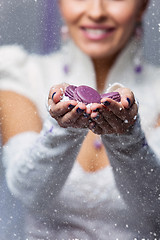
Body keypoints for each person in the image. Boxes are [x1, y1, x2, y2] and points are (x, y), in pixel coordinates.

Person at [0, 0, 160, 239]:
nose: (96, 12)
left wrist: (128, 139)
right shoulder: (19, 73)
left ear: (143, 5)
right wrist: (62, 129)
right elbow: (29, 193)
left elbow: (153, 207)